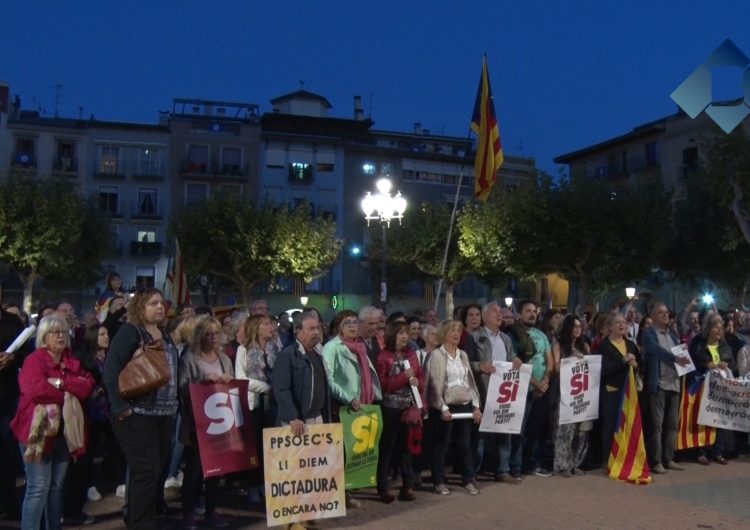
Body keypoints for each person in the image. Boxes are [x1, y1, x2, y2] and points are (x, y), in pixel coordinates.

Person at [102, 288, 179, 529]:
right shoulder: (130, 332)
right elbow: (111, 371)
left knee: (154, 473)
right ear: (140, 308)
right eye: (153, 303)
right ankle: (140, 523)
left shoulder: (165, 334)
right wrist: (120, 408)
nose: (159, 307)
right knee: (144, 472)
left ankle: (141, 517)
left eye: (161, 303)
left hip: (164, 415)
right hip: (138, 414)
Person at [11, 315, 95, 530]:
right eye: (55, 332)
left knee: (56, 487)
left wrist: (59, 383)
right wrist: (68, 393)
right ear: (43, 337)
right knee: (38, 487)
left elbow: (87, 386)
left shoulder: (71, 360)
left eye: (63, 332)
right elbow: (36, 390)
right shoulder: (34, 361)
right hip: (37, 430)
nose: (60, 336)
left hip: (64, 434)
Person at [322, 310, 382, 507]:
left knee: (354, 451)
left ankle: (347, 491)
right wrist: (348, 398)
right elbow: (328, 379)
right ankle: (339, 495)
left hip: (363, 405)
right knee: (342, 452)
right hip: (342, 407)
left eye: (355, 322)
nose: (352, 325)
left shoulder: (360, 346)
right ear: (338, 326)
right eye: (347, 322)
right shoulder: (332, 347)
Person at [178, 316, 233, 529]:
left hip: (220, 424)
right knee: (194, 472)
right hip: (197, 424)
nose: (212, 338)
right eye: (208, 334)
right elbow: (182, 387)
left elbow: (231, 388)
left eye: (215, 334)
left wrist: (227, 380)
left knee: (216, 472)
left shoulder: (224, 360)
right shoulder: (189, 358)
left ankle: (212, 511)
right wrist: (201, 382)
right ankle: (188, 514)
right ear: (199, 335)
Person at [427, 319, 482, 496]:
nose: (456, 334)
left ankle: (468, 479)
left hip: (464, 405)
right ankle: (439, 481)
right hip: (445, 407)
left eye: (458, 330)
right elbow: (434, 385)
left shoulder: (463, 355)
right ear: (444, 333)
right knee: (442, 445)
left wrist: (476, 406)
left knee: (464, 445)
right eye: (452, 331)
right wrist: (442, 408)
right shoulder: (436, 355)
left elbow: (470, 382)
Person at [471, 301, 522, 483]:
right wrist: (480, 366)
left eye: (500, 312)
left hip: (503, 394)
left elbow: (512, 357)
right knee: (480, 435)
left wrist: (515, 359)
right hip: (484, 390)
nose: (499, 314)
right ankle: (473, 472)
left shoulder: (506, 339)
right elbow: (465, 363)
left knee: (504, 431)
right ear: (485, 317)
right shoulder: (475, 337)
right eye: (494, 312)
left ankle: (503, 470)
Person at [375, 320, 423, 503]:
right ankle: (383, 488)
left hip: (408, 408)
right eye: (400, 333)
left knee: (406, 449)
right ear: (392, 335)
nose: (405, 336)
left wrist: (417, 383)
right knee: (386, 449)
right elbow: (383, 385)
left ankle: (407, 486)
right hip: (390, 409)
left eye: (406, 333)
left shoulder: (411, 355)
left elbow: (419, 378)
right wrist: (404, 377)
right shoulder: (383, 356)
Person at [641, 301, 691, 474]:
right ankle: (656, 461)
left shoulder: (673, 333)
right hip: (659, 384)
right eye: (661, 312)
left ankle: (669, 458)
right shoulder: (648, 333)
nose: (665, 315)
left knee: (672, 425)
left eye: (666, 312)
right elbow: (655, 350)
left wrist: (683, 356)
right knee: (657, 426)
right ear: (652, 316)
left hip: (675, 384)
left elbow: (680, 351)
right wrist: (674, 358)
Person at [234, 314, 278, 504]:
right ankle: (253, 484)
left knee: (269, 446)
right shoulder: (243, 350)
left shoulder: (275, 348)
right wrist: (267, 388)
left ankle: (266, 483)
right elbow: (241, 378)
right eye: (266, 324)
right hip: (253, 405)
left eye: (271, 324)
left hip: (273, 405)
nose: (271, 327)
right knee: (254, 447)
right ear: (256, 328)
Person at [508, 300, 553, 476]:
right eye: (528, 311)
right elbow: (518, 364)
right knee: (519, 431)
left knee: (536, 430)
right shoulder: (513, 335)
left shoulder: (541, 335)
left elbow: (549, 361)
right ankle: (516, 466)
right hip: (523, 389)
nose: (532, 314)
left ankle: (532, 464)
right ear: (519, 314)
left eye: (534, 311)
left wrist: (546, 381)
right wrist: (536, 383)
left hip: (542, 389)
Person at [273, 313, 331, 434]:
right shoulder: (287, 355)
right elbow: (281, 389)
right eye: (311, 329)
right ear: (298, 332)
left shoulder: (320, 353)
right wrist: (292, 417)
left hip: (318, 418)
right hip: (296, 422)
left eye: (317, 328)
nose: (316, 332)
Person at [689, 314, 734, 465]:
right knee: (704, 419)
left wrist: (725, 365)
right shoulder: (698, 343)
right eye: (715, 327)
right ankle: (701, 452)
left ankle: (717, 451)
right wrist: (708, 364)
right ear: (708, 329)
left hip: (720, 389)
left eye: (721, 328)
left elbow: (732, 364)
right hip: (702, 386)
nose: (718, 331)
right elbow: (694, 360)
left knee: (719, 420)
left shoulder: (725, 346)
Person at [551, 315, 591, 477]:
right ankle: (562, 464)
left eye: (579, 326)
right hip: (564, 393)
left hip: (582, 393)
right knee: (564, 430)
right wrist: (571, 361)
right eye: (574, 326)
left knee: (581, 431)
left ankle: (576, 462)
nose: (577, 329)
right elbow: (556, 368)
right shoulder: (558, 345)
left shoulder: (585, 346)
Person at [599, 313, 640, 465]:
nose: (622, 325)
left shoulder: (631, 345)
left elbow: (640, 366)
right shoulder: (604, 346)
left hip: (629, 391)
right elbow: (603, 370)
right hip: (611, 391)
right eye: (617, 323)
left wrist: (635, 366)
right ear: (609, 327)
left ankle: (625, 458)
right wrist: (623, 361)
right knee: (610, 426)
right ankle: (607, 461)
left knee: (627, 424)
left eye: (624, 322)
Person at [0, 307, 27, 521]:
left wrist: (13, 358)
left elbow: (25, 353)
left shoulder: (12, 322)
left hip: (6, 395)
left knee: (7, 452)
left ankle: (9, 502)